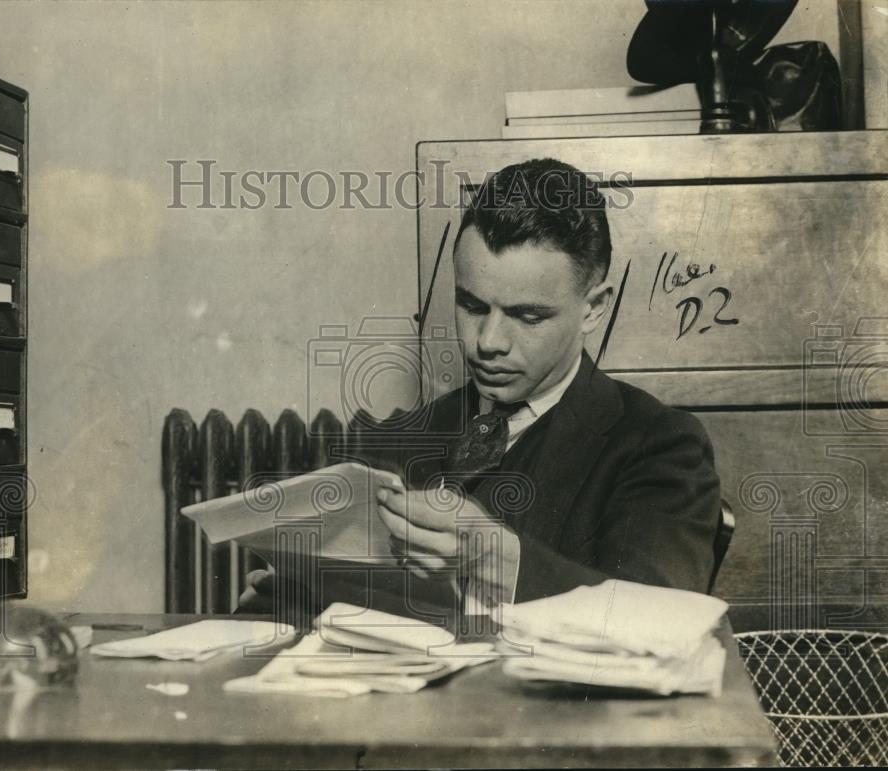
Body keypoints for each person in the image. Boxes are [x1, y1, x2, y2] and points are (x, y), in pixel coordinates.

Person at [242, 157, 720, 614]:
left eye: (527, 316)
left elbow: (660, 621)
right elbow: (300, 602)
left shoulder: (659, 445)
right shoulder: (397, 440)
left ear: (593, 308)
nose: (488, 342)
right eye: (471, 307)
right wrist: (283, 596)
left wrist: (497, 561)